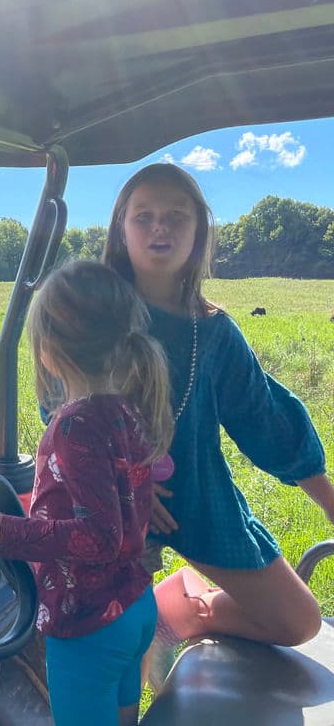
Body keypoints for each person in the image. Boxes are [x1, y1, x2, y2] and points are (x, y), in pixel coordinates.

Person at [101, 162, 334, 685]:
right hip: (104, 497)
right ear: (121, 228)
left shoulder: (216, 331)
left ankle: (184, 613)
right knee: (105, 646)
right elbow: (60, 406)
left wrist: (327, 499)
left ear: (199, 232)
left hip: (200, 498)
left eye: (176, 217)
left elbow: (264, 415)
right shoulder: (93, 314)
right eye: (145, 216)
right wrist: (124, 481)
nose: (160, 228)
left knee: (300, 620)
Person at [0, 260, 175, 726]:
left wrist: (1, 529)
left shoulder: (74, 426)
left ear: (49, 351)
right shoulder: (126, 411)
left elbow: (98, 537)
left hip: (88, 625)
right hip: (134, 607)